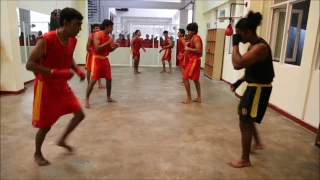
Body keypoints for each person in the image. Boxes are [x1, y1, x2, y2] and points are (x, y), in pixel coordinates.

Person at [25, 8, 86, 166]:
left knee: (79, 115)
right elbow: (30, 64)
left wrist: (77, 70)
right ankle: (37, 153)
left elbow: (69, 56)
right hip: (45, 88)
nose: (80, 28)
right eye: (77, 24)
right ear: (65, 23)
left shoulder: (73, 40)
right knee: (46, 126)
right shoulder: (46, 40)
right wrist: (54, 72)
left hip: (62, 86)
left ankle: (62, 140)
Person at [228, 11, 275, 168]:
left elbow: (237, 64)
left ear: (247, 32)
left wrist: (234, 44)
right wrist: (238, 83)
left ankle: (245, 159)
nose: (239, 37)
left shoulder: (260, 47)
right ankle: (257, 143)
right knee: (244, 114)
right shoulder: (253, 45)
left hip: (258, 89)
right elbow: (251, 70)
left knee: (245, 120)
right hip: (254, 86)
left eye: (239, 34)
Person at [85, 19, 119, 108]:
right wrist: (109, 42)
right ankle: (87, 99)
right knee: (93, 81)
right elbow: (97, 48)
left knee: (109, 79)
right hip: (97, 59)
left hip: (105, 60)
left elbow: (108, 50)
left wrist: (114, 47)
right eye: (111, 27)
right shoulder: (98, 34)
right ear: (106, 27)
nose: (112, 29)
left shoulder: (108, 37)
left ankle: (108, 97)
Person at [182, 23, 203, 104]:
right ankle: (198, 98)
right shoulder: (193, 38)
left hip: (194, 61)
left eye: (189, 31)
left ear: (193, 31)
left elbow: (199, 50)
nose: (188, 32)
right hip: (194, 60)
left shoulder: (196, 38)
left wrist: (188, 48)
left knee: (184, 78)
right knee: (195, 80)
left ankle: (189, 97)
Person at [85, 24, 105, 88]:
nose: (98, 29)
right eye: (96, 28)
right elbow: (87, 47)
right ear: (93, 29)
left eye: (99, 28)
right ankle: (89, 84)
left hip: (97, 55)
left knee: (98, 69)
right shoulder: (91, 36)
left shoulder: (100, 36)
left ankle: (99, 84)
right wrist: (94, 50)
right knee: (89, 70)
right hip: (90, 55)